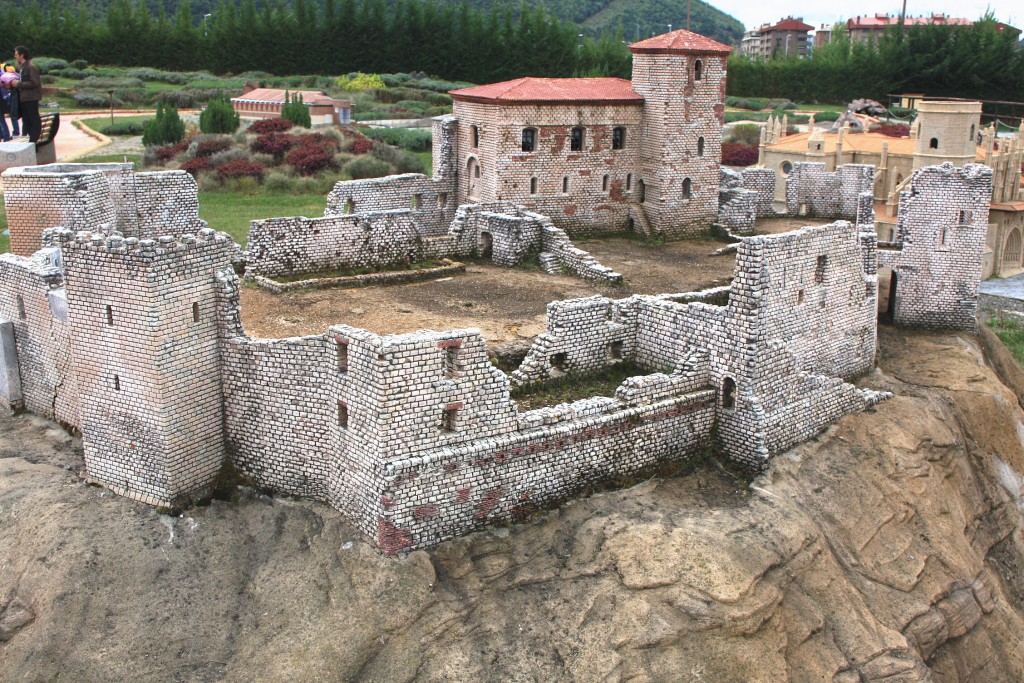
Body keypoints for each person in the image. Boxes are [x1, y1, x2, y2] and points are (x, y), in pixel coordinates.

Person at [13, 46, 40, 143]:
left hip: (30, 98)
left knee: (32, 120)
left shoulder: (30, 67)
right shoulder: (22, 67)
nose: (15, 56)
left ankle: (34, 141)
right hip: (24, 98)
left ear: (22, 55)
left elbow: (34, 83)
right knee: (26, 120)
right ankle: (28, 139)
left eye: (16, 54)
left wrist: (18, 84)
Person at [4, 65, 20, 137]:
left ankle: (16, 133)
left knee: (13, 115)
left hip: (14, 94)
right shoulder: (17, 75)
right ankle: (19, 133)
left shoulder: (6, 76)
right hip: (18, 94)